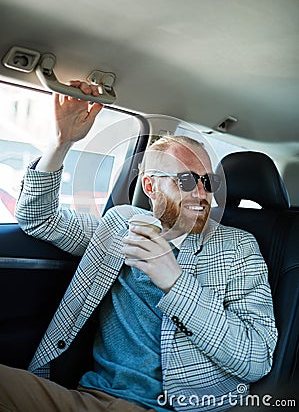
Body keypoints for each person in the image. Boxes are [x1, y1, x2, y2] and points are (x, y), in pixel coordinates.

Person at [0, 81, 277, 412]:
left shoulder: (236, 248)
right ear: (150, 186)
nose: (202, 194)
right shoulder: (121, 224)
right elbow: (37, 219)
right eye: (186, 180)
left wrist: (175, 281)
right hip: (91, 396)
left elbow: (256, 358)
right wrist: (61, 144)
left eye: (207, 182)